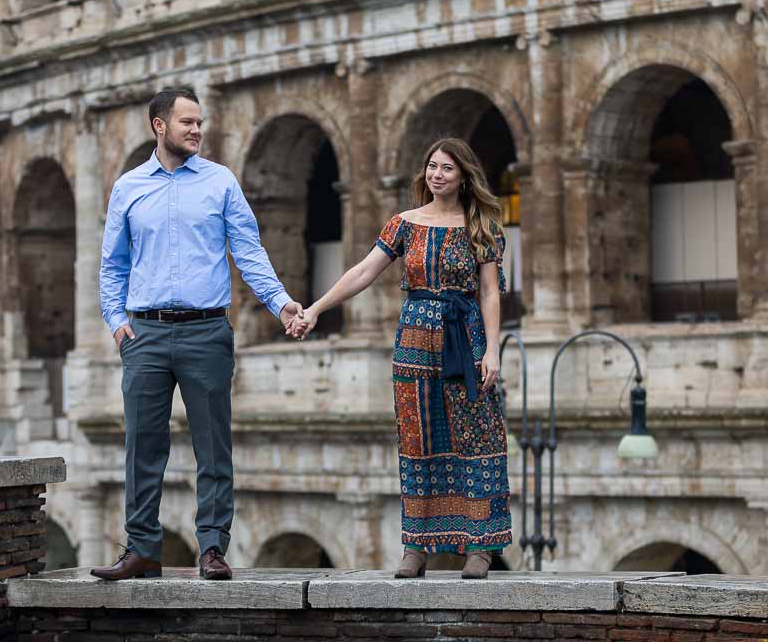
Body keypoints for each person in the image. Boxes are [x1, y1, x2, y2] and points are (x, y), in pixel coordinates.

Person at [93, 87, 302, 582]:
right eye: (187, 122)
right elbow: (112, 264)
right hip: (144, 333)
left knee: (213, 444)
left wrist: (281, 303)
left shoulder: (221, 182)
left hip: (207, 331)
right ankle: (141, 549)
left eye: (200, 122)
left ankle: (212, 549)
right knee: (143, 445)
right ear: (158, 126)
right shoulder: (128, 187)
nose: (197, 129)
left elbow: (248, 252)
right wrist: (117, 323)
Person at [290, 137, 511, 579]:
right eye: (432, 166)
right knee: (418, 438)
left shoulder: (481, 224)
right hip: (413, 342)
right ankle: (416, 546)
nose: (437, 174)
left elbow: (489, 291)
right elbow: (363, 272)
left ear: (464, 175)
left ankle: (480, 546)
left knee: (478, 437)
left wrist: (491, 349)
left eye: (448, 168)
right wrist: (315, 308)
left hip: (464, 341)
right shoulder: (403, 224)